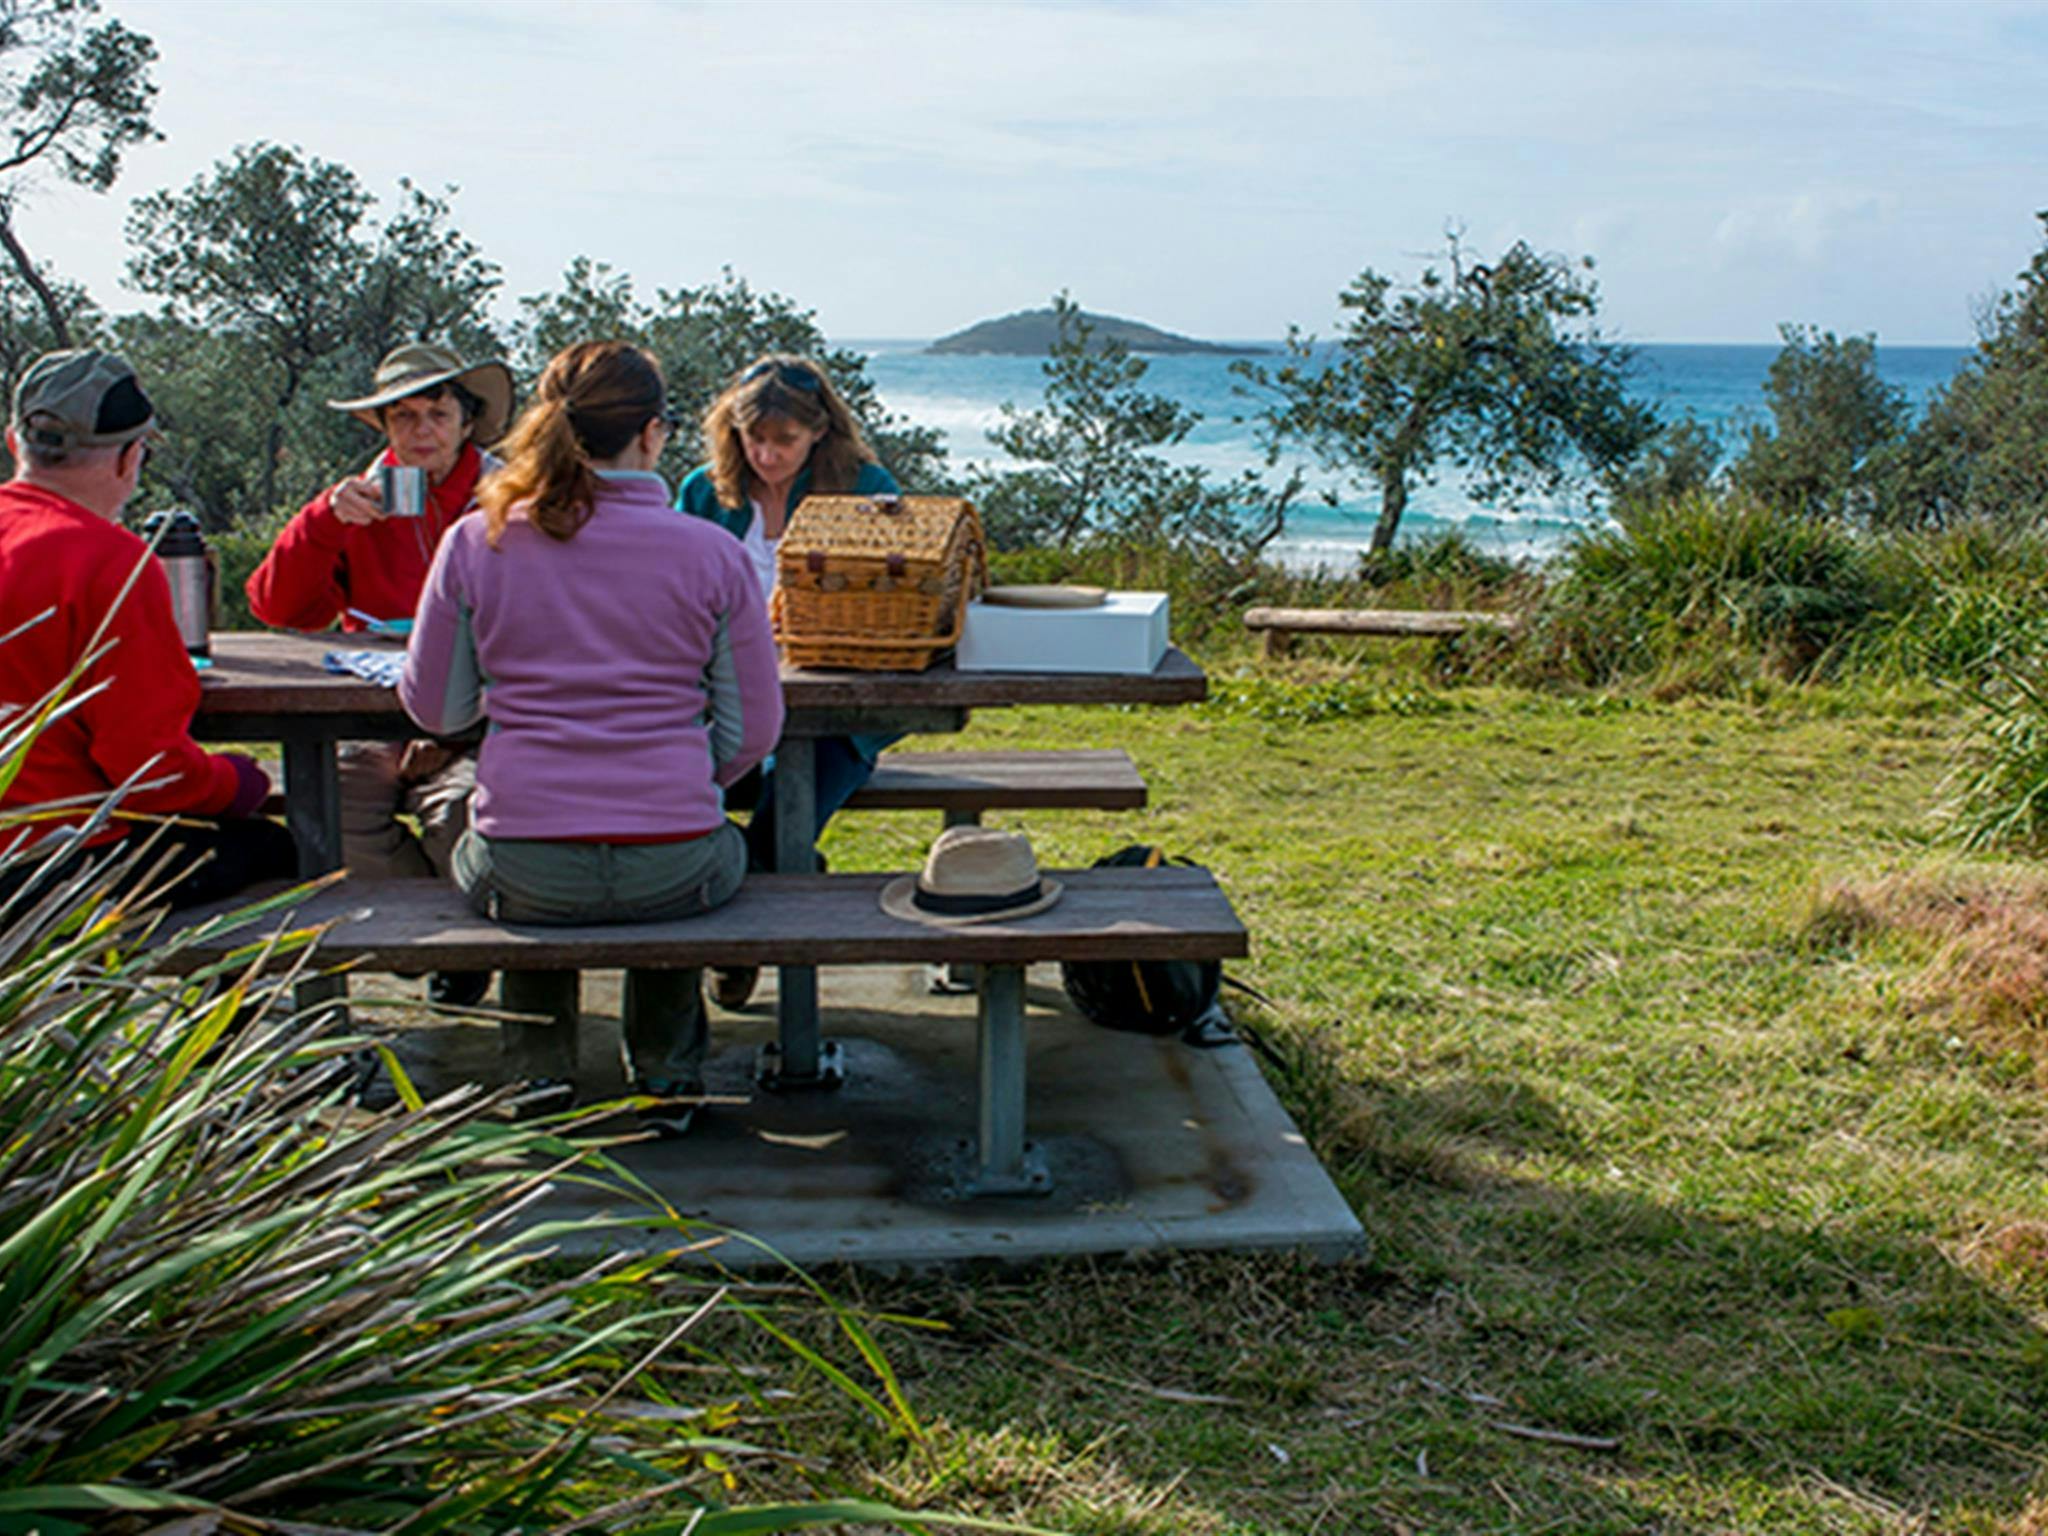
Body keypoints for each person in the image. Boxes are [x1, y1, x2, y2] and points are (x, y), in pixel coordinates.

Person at [400, 341, 783, 1134]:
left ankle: (539, 1075)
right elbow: (755, 731)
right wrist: (684, 775)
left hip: (522, 864)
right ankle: (668, 1076)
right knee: (691, 861)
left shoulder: (478, 540)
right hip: (676, 859)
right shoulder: (712, 554)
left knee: (517, 862)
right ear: (652, 434)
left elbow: (436, 711)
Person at [246, 342, 513, 1006]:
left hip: (484, 717)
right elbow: (277, 606)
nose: (421, 431)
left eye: (437, 412)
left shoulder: (510, 497)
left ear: (467, 420)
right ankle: (426, 941)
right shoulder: (357, 498)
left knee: (464, 817)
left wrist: (455, 723)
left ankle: (458, 945)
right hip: (368, 710)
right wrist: (323, 523)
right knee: (327, 816)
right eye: (403, 416)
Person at [0, 349, 295, 908]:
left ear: (16, 444)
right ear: (129, 458)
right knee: (273, 848)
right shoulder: (110, 561)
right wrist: (235, 781)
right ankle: (246, 996)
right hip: (52, 865)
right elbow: (149, 771)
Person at [675, 355, 898, 1007]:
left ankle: (736, 944)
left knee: (784, 818)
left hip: (835, 712)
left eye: (785, 441)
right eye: (755, 439)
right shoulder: (702, 490)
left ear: (821, 431)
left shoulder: (864, 486)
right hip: (718, 704)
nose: (767, 456)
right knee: (679, 802)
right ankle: (766, 898)